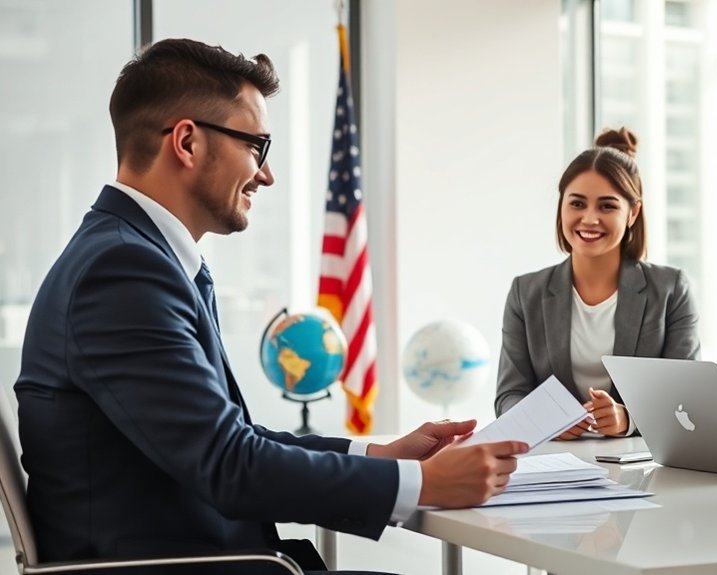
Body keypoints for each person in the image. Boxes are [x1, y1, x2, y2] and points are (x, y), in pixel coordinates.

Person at [13, 38, 526, 574]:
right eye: (256, 146)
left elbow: (229, 436)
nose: (266, 173)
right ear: (186, 142)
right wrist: (425, 483)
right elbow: (228, 465)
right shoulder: (121, 273)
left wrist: (380, 456)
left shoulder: (138, 257)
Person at [494, 127, 701, 439]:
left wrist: (628, 418)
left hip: (638, 462)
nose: (589, 219)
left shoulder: (672, 289)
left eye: (607, 206)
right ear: (561, 206)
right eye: (577, 203)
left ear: (632, 213)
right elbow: (509, 396)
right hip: (555, 462)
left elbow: (687, 397)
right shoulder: (526, 292)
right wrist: (546, 419)